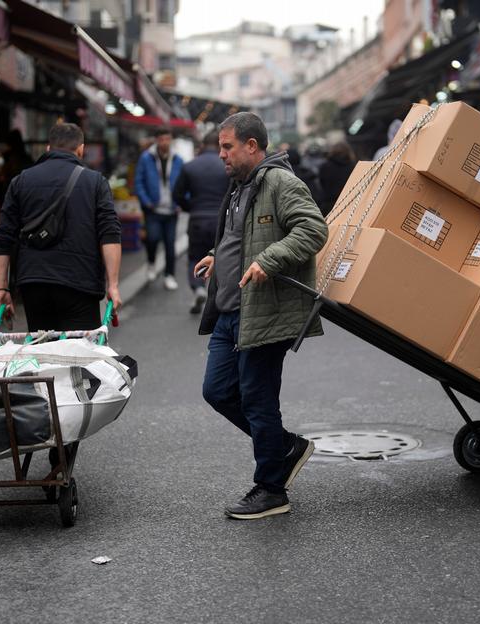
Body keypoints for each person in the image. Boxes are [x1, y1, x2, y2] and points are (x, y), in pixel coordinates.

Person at [194, 112, 328, 520]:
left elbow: (313, 229)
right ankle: (285, 447)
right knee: (217, 391)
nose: (222, 155)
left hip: (266, 313)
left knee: (257, 399)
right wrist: (219, 257)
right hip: (230, 311)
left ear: (252, 145)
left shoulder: (282, 183)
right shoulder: (239, 188)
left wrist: (269, 261)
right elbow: (241, 238)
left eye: (228, 147)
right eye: (221, 148)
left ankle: (271, 489)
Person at [0, 123, 122, 332]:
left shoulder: (20, 181)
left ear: (48, 148)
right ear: (81, 148)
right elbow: (109, 233)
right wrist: (113, 286)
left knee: (43, 354)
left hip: (33, 282)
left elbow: (3, 236)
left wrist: (2, 286)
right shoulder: (95, 182)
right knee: (79, 355)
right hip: (79, 283)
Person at [174, 130, 227, 314]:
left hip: (197, 218)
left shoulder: (189, 167)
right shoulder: (226, 165)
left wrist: (191, 207)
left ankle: (197, 287)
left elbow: (177, 195)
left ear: (202, 145)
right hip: (222, 219)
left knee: (195, 257)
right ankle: (220, 296)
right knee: (223, 256)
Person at [134, 129, 184, 290]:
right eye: (161, 139)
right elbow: (138, 182)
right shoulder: (146, 158)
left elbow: (184, 183)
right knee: (152, 239)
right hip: (153, 209)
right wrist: (146, 201)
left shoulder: (178, 159)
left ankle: (169, 275)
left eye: (167, 139)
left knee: (170, 245)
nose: (164, 142)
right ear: (156, 140)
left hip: (171, 209)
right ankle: (151, 263)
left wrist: (181, 202)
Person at [316, 141, 356, 215]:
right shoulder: (353, 167)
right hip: (349, 204)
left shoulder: (325, 167)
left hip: (329, 206)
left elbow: (322, 185)